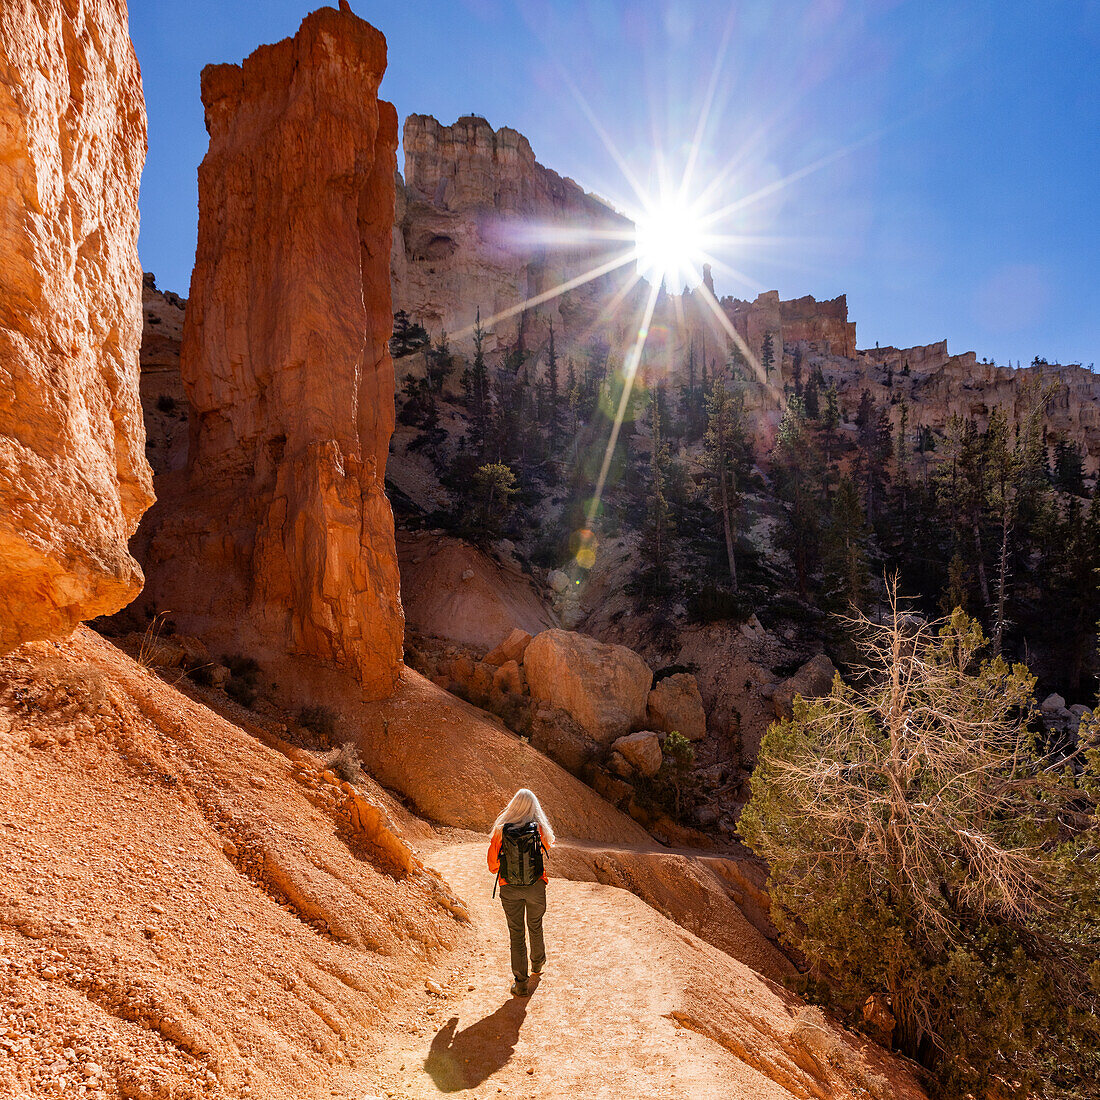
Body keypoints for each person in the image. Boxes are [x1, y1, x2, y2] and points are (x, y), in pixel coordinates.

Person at [487, 788, 555, 997]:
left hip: (510, 888)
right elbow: (549, 846)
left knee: (516, 934)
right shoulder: (539, 829)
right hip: (535, 886)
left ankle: (521, 983)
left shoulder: (501, 830)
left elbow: (492, 866)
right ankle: (538, 963)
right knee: (535, 925)